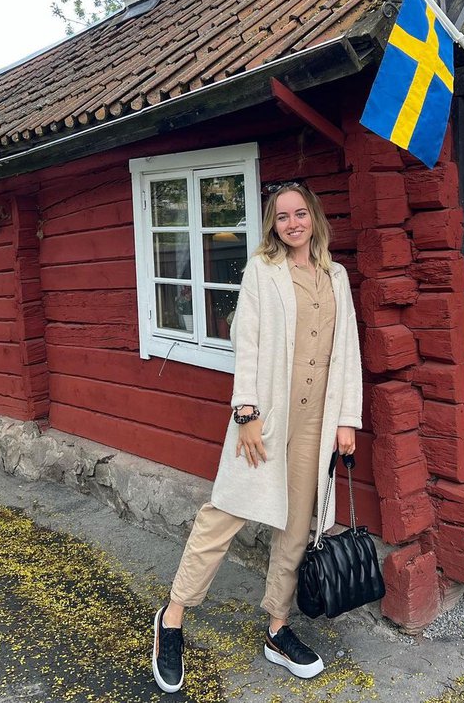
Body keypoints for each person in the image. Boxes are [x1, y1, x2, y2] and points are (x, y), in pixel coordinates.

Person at [152, 181, 363, 693]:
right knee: (224, 511)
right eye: (282, 216)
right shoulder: (262, 272)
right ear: (273, 224)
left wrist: (347, 419)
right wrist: (244, 411)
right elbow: (244, 341)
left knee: (295, 528)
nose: (293, 223)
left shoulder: (336, 276)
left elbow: (349, 349)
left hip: (316, 422)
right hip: (265, 418)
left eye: (300, 213)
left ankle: (276, 627)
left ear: (313, 217)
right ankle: (173, 617)